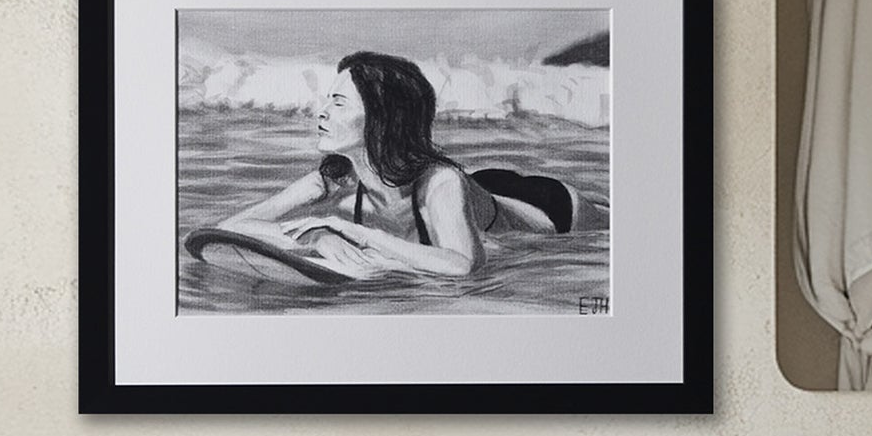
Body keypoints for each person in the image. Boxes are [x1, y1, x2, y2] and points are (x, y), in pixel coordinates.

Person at [217, 50, 603, 279]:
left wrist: (355, 232)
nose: (321, 113)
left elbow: (463, 265)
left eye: (338, 103)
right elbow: (231, 228)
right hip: (478, 188)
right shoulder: (333, 178)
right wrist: (316, 237)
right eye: (327, 101)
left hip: (550, 208)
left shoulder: (441, 182)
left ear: (382, 117)